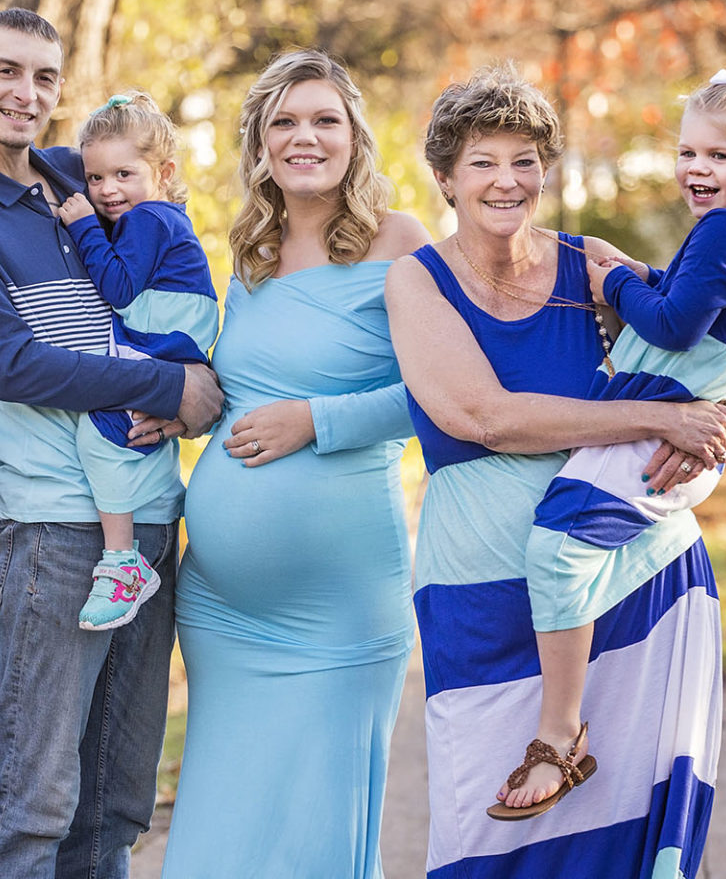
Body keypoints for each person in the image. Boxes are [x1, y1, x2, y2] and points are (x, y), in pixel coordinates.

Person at [386, 64, 726, 878]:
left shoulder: (590, 264)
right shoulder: (418, 281)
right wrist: (659, 416)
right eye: (482, 162)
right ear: (444, 177)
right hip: (480, 586)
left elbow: (711, 344)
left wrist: (721, 421)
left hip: (630, 576)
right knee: (484, 838)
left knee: (632, 830)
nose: (507, 181)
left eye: (524, 160)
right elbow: (482, 416)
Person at [0, 8, 223, 879]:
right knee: (37, 806)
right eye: (7, 71)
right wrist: (173, 389)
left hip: (149, 517)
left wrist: (197, 384)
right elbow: (8, 364)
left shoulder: (83, 182)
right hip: (54, 531)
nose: (26, 93)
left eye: (45, 77)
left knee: (117, 802)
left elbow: (171, 293)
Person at [499, 58, 726, 819]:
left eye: (720, 155)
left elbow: (671, 323)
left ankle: (560, 734)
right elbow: (688, 300)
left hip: (654, 426)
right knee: (580, 544)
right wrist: (640, 269)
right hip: (663, 417)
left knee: (557, 550)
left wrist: (614, 286)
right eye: (688, 152)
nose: (696, 169)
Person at [161, 49, 433, 877]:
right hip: (221, 610)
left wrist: (316, 420)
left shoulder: (402, 243)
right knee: (219, 836)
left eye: (324, 120)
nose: (304, 137)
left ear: (355, 138)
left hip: (339, 607)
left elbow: (438, 398)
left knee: (318, 831)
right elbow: (241, 392)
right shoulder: (249, 253)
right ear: (259, 143)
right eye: (284, 121)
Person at [52, 91, 219, 632]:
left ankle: (124, 563)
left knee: (101, 433)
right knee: (114, 431)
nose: (106, 191)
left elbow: (120, 288)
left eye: (124, 173)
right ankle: (125, 554)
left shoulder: (150, 218)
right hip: (164, 335)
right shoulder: (154, 219)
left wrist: (83, 228)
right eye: (95, 179)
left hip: (166, 337)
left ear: (163, 171)